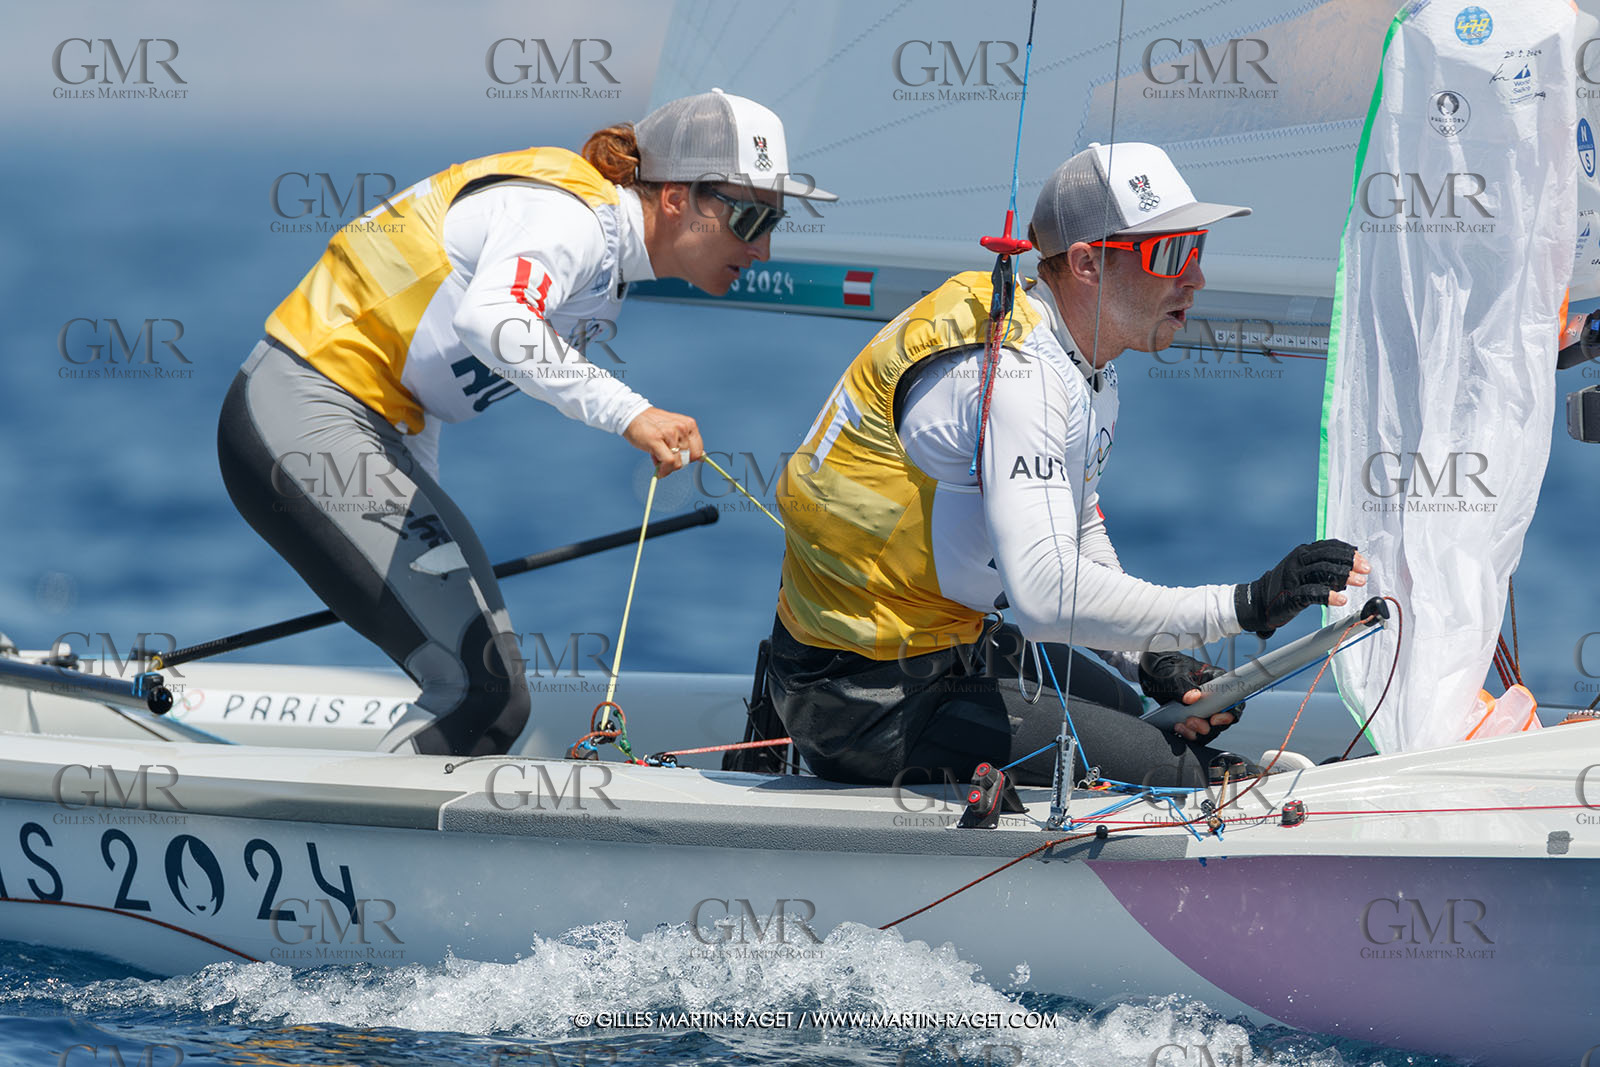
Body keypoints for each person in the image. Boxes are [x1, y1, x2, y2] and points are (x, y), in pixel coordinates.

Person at [218, 89, 835, 756]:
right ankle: (354, 823)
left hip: (365, 424)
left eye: (774, 220)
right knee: (479, 693)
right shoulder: (572, 221)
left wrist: (425, 526)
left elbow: (420, 379)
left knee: (488, 689)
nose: (763, 248)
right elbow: (493, 320)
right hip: (301, 410)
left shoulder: (605, 263)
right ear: (675, 197)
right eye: (749, 217)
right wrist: (631, 412)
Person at [768, 142, 1367, 788]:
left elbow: (1075, 533)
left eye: (1197, 248)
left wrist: (1150, 657)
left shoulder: (1083, 365)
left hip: (946, 646)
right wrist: (1246, 604)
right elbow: (1045, 596)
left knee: (1156, 724)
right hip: (861, 698)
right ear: (1086, 263)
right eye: (1171, 253)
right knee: (1183, 773)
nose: (1195, 277)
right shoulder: (1017, 372)